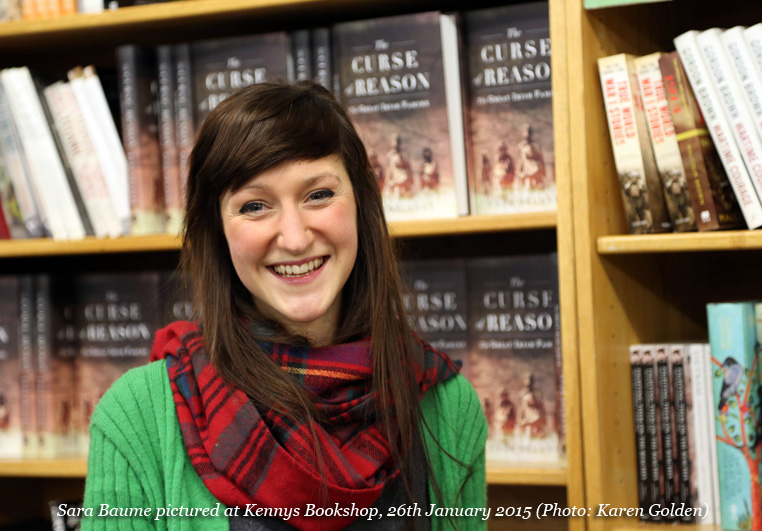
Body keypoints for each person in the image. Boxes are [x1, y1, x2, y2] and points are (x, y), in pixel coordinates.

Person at [82, 81, 487, 531]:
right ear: (217, 231)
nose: (294, 239)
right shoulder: (135, 416)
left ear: (361, 204)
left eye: (318, 195)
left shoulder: (448, 406)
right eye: (255, 206)